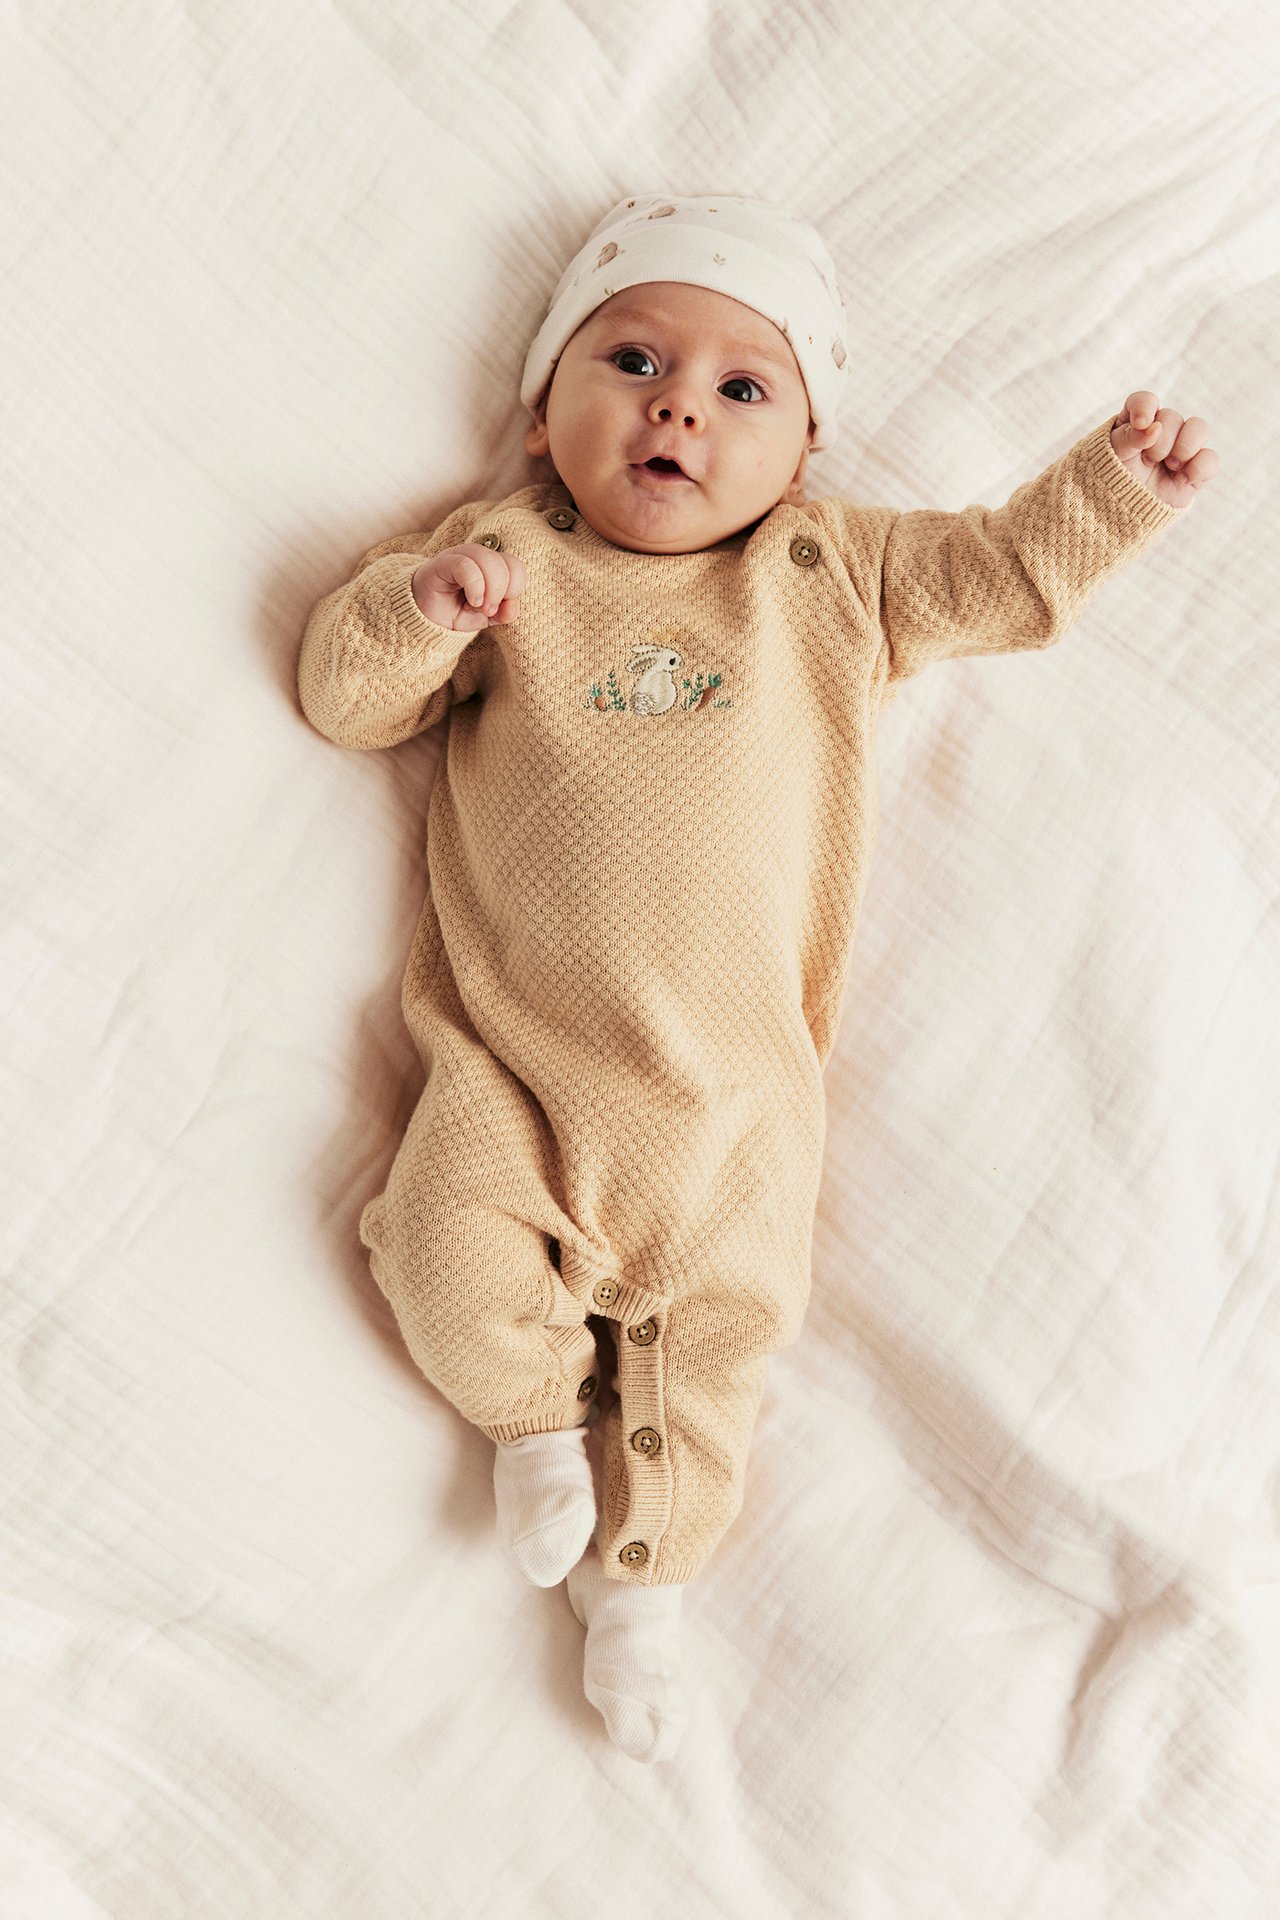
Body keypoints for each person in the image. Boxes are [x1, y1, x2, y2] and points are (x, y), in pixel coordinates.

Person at [296, 192, 1218, 1764]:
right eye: (633, 359)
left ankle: (643, 1586)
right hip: (512, 1062)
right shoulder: (505, 560)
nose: (677, 406)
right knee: (436, 1244)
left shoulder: (828, 571)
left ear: (803, 453)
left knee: (717, 1339)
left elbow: (1003, 576)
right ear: (542, 412)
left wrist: (1108, 490)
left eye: (742, 388)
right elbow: (344, 699)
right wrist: (411, 612)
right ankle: (529, 1421)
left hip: (736, 1095)